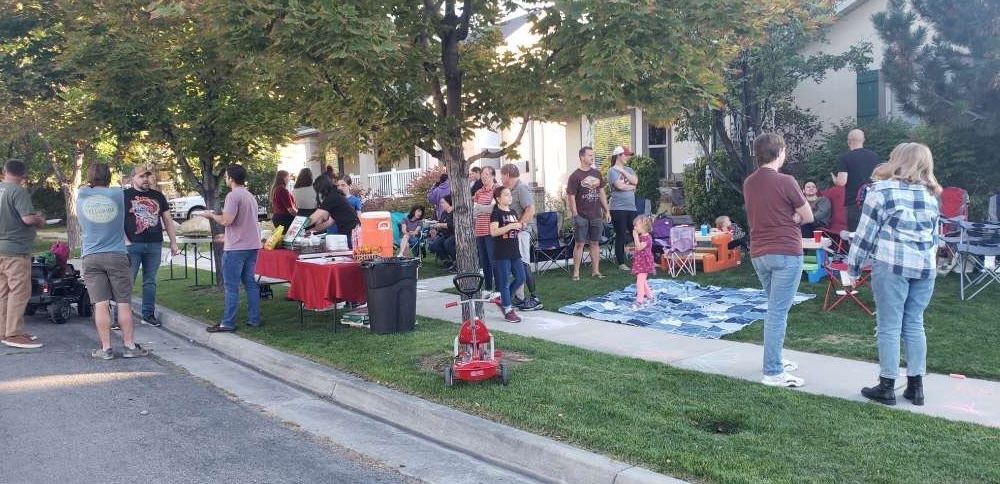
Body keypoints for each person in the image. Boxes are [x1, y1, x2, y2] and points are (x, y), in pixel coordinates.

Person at [846, 143, 941, 406]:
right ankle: (915, 387)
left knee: (889, 326)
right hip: (924, 268)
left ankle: (887, 386)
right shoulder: (931, 195)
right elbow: (935, 238)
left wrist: (852, 268)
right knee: (914, 323)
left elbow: (865, 235)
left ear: (897, 160)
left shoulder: (881, 191)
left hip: (892, 266)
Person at [743, 133, 813, 387]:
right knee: (777, 312)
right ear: (780, 152)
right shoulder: (786, 181)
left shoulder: (750, 182)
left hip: (759, 254)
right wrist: (793, 218)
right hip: (785, 251)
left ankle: (776, 359)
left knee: (775, 310)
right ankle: (773, 371)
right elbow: (807, 215)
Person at [77, 163, 149, 358]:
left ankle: (106, 348)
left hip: (90, 256)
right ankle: (129, 347)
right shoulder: (118, 195)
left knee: (100, 303)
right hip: (116, 254)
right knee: (123, 303)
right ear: (109, 177)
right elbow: (126, 186)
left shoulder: (82, 194)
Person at [198, 165, 262, 332]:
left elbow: (227, 220)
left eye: (226, 176)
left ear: (231, 179)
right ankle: (254, 319)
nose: (226, 179)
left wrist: (210, 215)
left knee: (231, 286)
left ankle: (227, 322)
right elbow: (245, 224)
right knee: (250, 283)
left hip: (236, 249)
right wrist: (227, 237)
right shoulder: (249, 196)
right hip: (251, 245)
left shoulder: (233, 196)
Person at [125, 163, 180, 328]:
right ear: (132, 178)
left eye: (147, 176)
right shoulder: (124, 196)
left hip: (154, 244)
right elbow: (116, 221)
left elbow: (168, 220)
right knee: (127, 281)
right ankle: (118, 317)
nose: (146, 179)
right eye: (141, 176)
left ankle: (148, 314)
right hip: (132, 245)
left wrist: (173, 242)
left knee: (150, 281)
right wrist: (124, 242)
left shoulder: (158, 196)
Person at [0, 159, 46, 349]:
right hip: (16, 250)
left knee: (3, 292)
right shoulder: (18, 191)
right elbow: (27, 219)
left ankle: (4, 330)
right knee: (19, 292)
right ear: (23, 174)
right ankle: (14, 334)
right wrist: (39, 219)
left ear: (4, 171)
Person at [499, 163, 542, 311]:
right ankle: (520, 298)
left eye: (502, 176)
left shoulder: (521, 188)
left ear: (507, 175)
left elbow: (530, 209)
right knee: (516, 266)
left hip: (521, 233)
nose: (501, 179)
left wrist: (520, 225)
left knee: (523, 264)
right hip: (513, 233)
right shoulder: (510, 190)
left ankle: (535, 298)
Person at [567, 146, 611, 281]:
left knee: (595, 243)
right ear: (582, 157)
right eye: (590, 155)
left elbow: (601, 193)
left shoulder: (597, 174)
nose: (592, 157)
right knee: (579, 243)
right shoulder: (575, 176)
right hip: (581, 215)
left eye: (593, 155)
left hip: (596, 215)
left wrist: (606, 210)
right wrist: (575, 215)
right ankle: (576, 272)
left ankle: (596, 271)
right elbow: (571, 196)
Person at [490, 186, 526, 323]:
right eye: (506, 195)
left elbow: (515, 230)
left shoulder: (513, 212)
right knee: (504, 283)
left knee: (521, 277)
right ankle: (508, 309)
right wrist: (511, 226)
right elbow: (493, 232)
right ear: (498, 199)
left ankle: (503, 300)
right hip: (502, 252)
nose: (509, 197)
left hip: (514, 251)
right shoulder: (496, 213)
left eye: (510, 194)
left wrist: (520, 226)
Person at [835, 129, 880, 230]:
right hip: (873, 201)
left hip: (854, 202)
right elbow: (878, 178)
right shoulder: (874, 156)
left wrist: (835, 180)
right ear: (863, 140)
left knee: (854, 235)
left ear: (848, 141)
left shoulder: (845, 158)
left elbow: (842, 182)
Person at [607, 146, 638, 271]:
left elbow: (635, 181)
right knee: (620, 235)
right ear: (619, 156)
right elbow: (619, 186)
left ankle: (641, 259)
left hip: (631, 207)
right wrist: (631, 186)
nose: (628, 157)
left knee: (635, 232)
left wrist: (623, 171)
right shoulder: (611, 171)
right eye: (626, 155)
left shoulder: (628, 169)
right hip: (618, 208)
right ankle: (621, 264)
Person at [308, 176, 361, 246]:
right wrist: (311, 230)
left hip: (350, 235)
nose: (319, 194)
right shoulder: (336, 196)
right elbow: (329, 222)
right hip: (353, 234)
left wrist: (300, 227)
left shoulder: (332, 198)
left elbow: (314, 217)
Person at [472, 166, 498, 294]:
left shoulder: (497, 189)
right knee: (484, 261)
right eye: (482, 174)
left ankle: (498, 289)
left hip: (491, 231)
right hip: (479, 230)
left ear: (493, 176)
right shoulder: (478, 192)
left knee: (494, 260)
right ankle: (488, 288)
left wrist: (481, 208)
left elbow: (493, 209)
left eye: (487, 174)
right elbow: (474, 212)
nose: (484, 176)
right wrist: (483, 208)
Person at [630, 215, 655, 308]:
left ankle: (639, 300)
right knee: (642, 280)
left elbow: (639, 247)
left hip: (645, 262)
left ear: (643, 227)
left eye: (636, 226)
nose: (634, 228)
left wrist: (635, 237)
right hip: (640, 261)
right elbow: (637, 248)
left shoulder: (647, 238)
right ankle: (650, 297)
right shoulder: (642, 237)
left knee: (639, 281)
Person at [427, 195, 456, 270]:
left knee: (448, 243)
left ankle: (456, 262)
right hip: (446, 234)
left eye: (443, 203)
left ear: (449, 202)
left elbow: (453, 225)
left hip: (455, 234)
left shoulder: (455, 213)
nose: (441, 205)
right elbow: (440, 222)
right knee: (436, 244)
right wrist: (434, 224)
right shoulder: (444, 213)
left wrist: (440, 225)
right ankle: (446, 261)